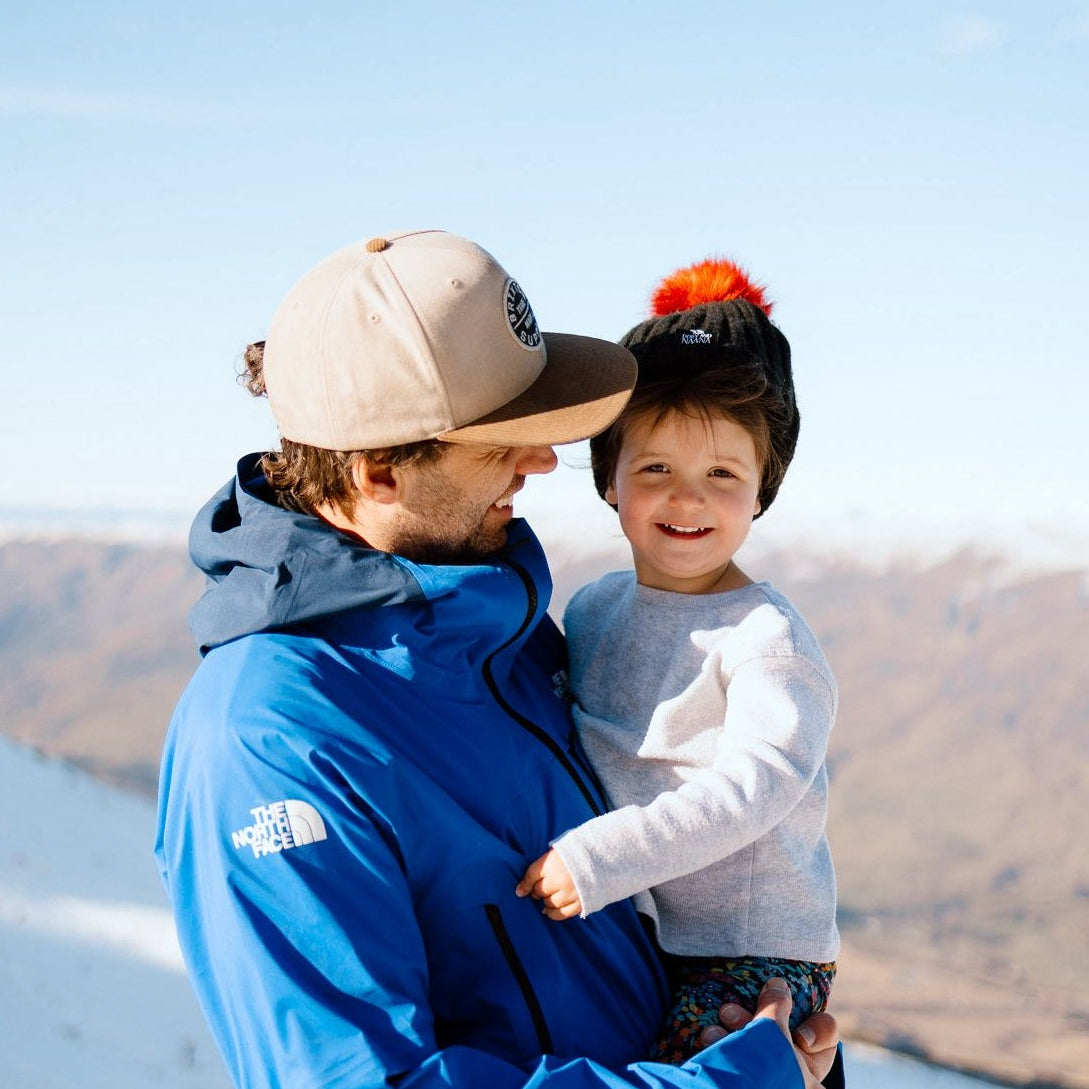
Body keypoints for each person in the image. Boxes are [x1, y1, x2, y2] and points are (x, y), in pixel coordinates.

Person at [155, 229, 842, 1089]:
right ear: (378, 472)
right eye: (500, 438)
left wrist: (758, 1037)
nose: (545, 459)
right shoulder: (270, 741)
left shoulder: (502, 634)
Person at [517, 257, 838, 1062]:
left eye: (722, 474)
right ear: (609, 481)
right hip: (634, 920)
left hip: (748, 948)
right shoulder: (592, 610)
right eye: (655, 468)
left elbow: (753, 789)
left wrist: (601, 858)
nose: (687, 497)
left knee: (697, 1068)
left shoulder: (765, 638)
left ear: (761, 488)